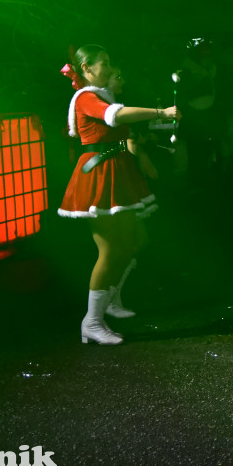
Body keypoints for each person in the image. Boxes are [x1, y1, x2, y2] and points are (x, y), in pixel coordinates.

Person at [58, 45, 180, 346]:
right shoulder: (87, 97)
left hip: (115, 171)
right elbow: (116, 117)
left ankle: (107, 304)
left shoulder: (98, 95)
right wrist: (161, 111)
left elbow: (120, 128)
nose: (110, 68)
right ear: (86, 68)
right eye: (105, 62)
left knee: (132, 243)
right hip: (99, 176)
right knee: (111, 250)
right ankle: (92, 322)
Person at [99, 66, 159, 320]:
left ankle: (113, 298)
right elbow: (121, 138)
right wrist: (140, 152)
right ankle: (105, 305)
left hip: (127, 180)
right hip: (115, 183)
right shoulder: (101, 104)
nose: (122, 80)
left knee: (136, 242)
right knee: (123, 245)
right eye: (117, 76)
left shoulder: (115, 102)